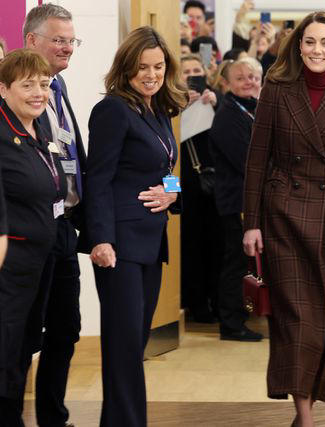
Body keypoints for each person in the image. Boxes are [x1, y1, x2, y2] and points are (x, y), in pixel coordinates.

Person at [242, 11, 325, 426]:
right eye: (311, 42)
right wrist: (251, 222)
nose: (318, 50)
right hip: (282, 213)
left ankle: (306, 410)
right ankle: (306, 417)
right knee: (296, 318)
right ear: (298, 46)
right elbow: (256, 161)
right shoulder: (276, 90)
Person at [81, 26, 186, 426]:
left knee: (134, 342)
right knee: (124, 345)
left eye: (158, 66)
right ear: (126, 69)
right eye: (142, 67)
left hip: (150, 241)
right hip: (119, 246)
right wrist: (101, 239)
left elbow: (167, 165)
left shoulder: (158, 109)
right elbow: (99, 179)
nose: (151, 74)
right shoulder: (112, 110)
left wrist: (172, 193)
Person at [23, 4, 85, 425]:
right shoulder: (15, 94)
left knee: (65, 329)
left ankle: (53, 416)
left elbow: (72, 156)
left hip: (64, 226)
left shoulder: (60, 90)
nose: (67, 48)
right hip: (28, 231)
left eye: (71, 41)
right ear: (32, 41)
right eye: (58, 39)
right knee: (24, 333)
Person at [0, 48, 67, 425]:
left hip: (41, 259)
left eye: (43, 84)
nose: (39, 92)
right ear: (4, 88)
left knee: (25, 347)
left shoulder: (39, 126)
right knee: (6, 350)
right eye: (28, 85)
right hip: (9, 263)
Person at [209, 58, 264, 342]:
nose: (249, 81)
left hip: (253, 200)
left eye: (254, 76)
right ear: (226, 84)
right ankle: (231, 323)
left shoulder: (254, 110)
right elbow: (248, 162)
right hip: (238, 202)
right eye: (241, 77)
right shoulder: (229, 115)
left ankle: (244, 316)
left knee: (250, 263)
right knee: (238, 263)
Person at [179, 53, 222, 324]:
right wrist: (181, 108)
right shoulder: (170, 103)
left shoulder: (218, 101)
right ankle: (195, 303)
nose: (192, 75)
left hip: (215, 184)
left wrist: (217, 106)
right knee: (191, 246)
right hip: (184, 185)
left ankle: (217, 299)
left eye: (197, 70)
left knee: (217, 246)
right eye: (187, 72)